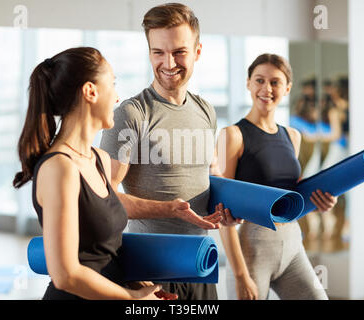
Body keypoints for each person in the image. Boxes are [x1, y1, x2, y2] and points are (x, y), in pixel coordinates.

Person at [13, 47, 177, 300]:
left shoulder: (98, 159)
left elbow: (106, 248)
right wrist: (131, 298)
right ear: (90, 91)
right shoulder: (59, 168)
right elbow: (65, 274)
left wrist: (142, 288)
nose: (117, 97)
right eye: (112, 84)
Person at [100, 3, 234, 300]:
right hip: (150, 270)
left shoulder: (205, 110)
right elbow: (103, 200)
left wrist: (228, 210)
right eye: (158, 52)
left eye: (179, 52)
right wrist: (168, 209)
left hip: (199, 263)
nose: (168, 63)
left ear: (198, 51)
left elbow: (209, 178)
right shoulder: (131, 114)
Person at [216, 53, 337, 300]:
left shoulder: (293, 136)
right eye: (259, 80)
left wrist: (317, 203)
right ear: (248, 83)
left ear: (287, 88)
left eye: (275, 82)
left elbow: (291, 200)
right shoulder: (232, 135)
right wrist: (240, 275)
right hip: (252, 250)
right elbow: (222, 213)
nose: (266, 89)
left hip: (292, 244)